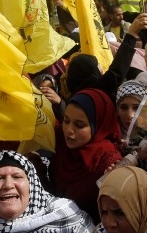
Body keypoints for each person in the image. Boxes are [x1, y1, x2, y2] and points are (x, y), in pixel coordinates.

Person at [51, 88, 124, 223]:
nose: (69, 130)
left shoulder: (109, 162)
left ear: (98, 125)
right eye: (66, 121)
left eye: (79, 125)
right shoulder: (60, 139)